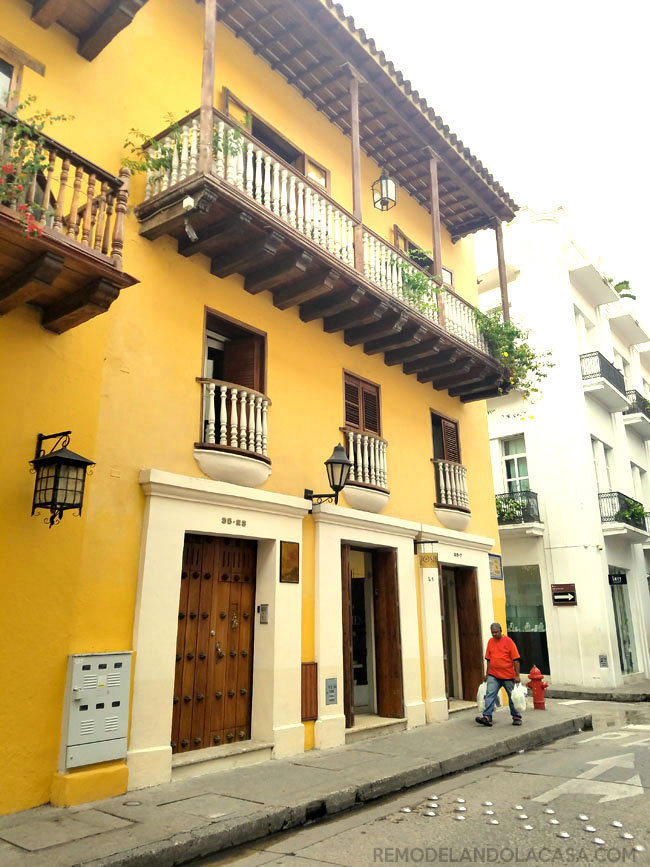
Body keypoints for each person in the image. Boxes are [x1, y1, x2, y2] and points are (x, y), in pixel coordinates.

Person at [475, 622, 522, 727]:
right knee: (489, 695)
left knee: (512, 697)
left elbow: (516, 659)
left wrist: (517, 675)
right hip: (494, 674)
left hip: (508, 675)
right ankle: (487, 717)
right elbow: (489, 660)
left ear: (501, 631)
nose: (494, 634)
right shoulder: (490, 642)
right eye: (492, 633)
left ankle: (516, 716)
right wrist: (487, 674)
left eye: (496, 632)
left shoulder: (509, 642)